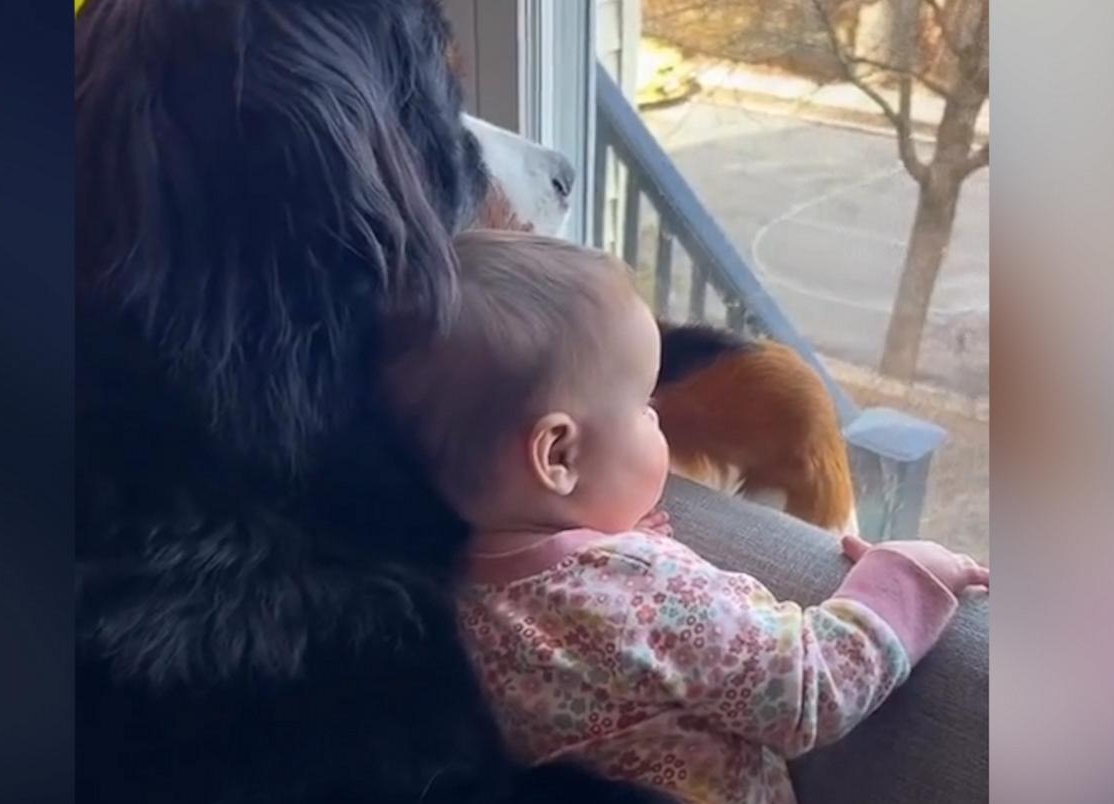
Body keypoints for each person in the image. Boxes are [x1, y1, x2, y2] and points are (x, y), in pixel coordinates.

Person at [383, 231, 989, 804]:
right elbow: (807, 690)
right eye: (646, 406)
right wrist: (904, 576)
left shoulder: (463, 592)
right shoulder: (638, 590)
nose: (658, 421)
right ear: (559, 455)